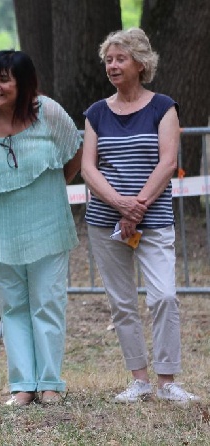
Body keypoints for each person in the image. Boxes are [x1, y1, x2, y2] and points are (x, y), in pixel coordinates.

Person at [81, 28, 199, 405]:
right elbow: (88, 168)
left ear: (141, 63)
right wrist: (120, 205)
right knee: (123, 302)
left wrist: (138, 206)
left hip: (154, 218)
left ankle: (167, 382)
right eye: (109, 60)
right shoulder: (96, 112)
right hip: (105, 221)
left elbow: (169, 162)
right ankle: (140, 381)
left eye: (120, 59)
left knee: (164, 296)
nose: (112, 66)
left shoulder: (163, 106)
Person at [0, 50, 82, 407]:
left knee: (48, 304)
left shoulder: (49, 113)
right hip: (1, 230)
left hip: (48, 226)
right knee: (11, 307)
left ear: (23, 84)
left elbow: (74, 150)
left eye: (4, 79)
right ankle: (23, 386)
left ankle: (50, 384)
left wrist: (50, 189)